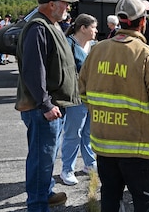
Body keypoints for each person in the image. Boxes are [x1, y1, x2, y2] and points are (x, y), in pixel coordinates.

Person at [79, 0, 149, 211]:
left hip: (105, 148)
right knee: (145, 203)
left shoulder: (96, 51)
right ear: (142, 22)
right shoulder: (148, 57)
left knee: (110, 200)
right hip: (140, 151)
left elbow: (84, 94)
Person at [15, 0, 80, 211]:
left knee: (47, 157)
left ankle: (45, 192)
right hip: (43, 109)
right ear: (52, 4)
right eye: (65, 4)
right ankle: (37, 205)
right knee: (41, 159)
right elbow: (34, 70)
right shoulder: (38, 28)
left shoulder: (51, 25)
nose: (68, 8)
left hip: (52, 107)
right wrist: (45, 104)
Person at [59, 13, 98, 186]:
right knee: (73, 133)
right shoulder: (68, 45)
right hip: (76, 98)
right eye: (93, 27)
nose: (96, 31)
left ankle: (89, 164)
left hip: (93, 97)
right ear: (83, 28)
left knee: (88, 132)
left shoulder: (95, 46)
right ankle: (67, 168)